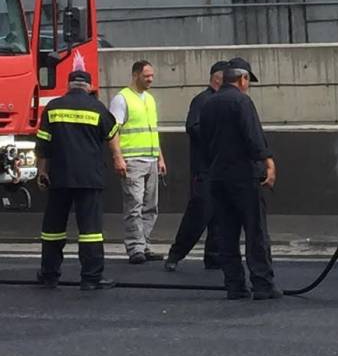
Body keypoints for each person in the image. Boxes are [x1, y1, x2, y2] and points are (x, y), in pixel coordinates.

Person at [34, 70, 126, 291]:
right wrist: (118, 159)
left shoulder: (53, 107)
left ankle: (49, 275)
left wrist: (42, 171)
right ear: (89, 86)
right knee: (91, 231)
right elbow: (112, 134)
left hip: (59, 176)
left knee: (53, 228)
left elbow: (43, 145)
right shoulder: (97, 108)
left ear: (68, 85)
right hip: (89, 177)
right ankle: (91, 278)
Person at [200, 57, 280, 300]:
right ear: (243, 78)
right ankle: (263, 284)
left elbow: (203, 141)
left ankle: (234, 285)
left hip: (217, 176)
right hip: (244, 176)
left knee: (227, 233)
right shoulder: (242, 102)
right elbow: (253, 137)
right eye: (248, 80)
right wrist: (268, 162)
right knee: (255, 231)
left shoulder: (208, 104)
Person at [164, 61, 227, 271]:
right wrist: (217, 138)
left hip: (221, 169)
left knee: (220, 215)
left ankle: (214, 256)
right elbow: (193, 126)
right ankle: (176, 254)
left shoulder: (224, 101)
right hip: (204, 170)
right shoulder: (203, 100)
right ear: (217, 78)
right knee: (199, 214)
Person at [110, 60, 166, 264]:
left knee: (150, 206)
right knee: (134, 205)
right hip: (132, 160)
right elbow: (113, 131)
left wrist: (160, 157)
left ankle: (144, 244)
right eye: (146, 76)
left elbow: (153, 130)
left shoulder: (149, 99)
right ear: (135, 75)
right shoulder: (121, 99)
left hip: (150, 159)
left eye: (152, 75)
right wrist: (118, 157)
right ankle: (135, 248)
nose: (150, 79)